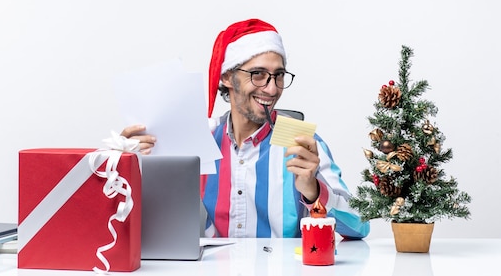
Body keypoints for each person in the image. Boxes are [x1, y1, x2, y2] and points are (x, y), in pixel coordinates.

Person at [122, 18, 370, 239]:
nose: (272, 89)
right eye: (258, 74)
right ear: (227, 78)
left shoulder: (300, 142)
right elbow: (148, 217)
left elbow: (361, 226)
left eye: (279, 75)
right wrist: (126, 166)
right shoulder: (200, 139)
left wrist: (314, 190)